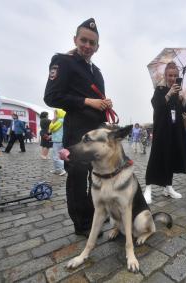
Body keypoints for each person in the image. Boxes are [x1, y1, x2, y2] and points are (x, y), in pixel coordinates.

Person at [44, 18, 112, 237]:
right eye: (83, 40)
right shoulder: (63, 61)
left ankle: (95, 214)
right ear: (75, 39)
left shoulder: (97, 71)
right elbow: (51, 96)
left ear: (97, 47)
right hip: (76, 133)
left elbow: (96, 102)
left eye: (92, 43)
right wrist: (87, 101)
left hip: (96, 134)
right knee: (78, 177)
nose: (87, 46)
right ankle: (82, 223)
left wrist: (104, 105)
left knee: (97, 176)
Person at [144, 62, 186, 204]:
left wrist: (183, 101)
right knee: (156, 156)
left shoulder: (178, 92)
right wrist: (169, 94)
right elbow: (156, 106)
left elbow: (184, 111)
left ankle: (168, 187)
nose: (172, 78)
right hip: (161, 130)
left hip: (174, 131)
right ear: (165, 75)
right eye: (170, 75)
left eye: (175, 75)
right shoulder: (160, 89)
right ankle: (148, 188)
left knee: (171, 157)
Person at [49, 109, 66, 175]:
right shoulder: (63, 120)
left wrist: (52, 121)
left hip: (58, 140)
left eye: (55, 114)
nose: (54, 115)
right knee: (59, 155)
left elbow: (51, 128)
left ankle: (61, 170)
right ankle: (57, 169)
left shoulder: (60, 121)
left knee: (56, 156)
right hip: (61, 140)